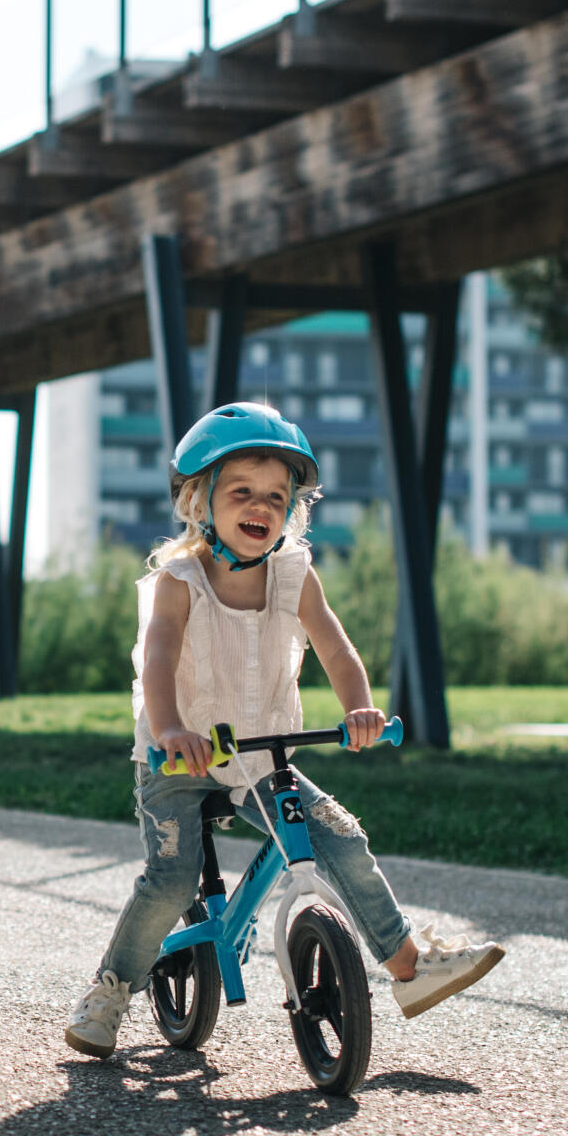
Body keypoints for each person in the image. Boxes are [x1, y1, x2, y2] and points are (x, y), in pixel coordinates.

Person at [65, 402, 504, 1058]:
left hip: (263, 755)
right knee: (171, 879)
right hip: (181, 759)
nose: (261, 507)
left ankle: (410, 967)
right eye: (241, 492)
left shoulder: (294, 573)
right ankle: (109, 992)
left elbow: (336, 648)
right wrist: (170, 730)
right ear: (198, 499)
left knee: (341, 840)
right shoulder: (177, 581)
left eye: (277, 496)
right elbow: (155, 659)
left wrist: (359, 707)